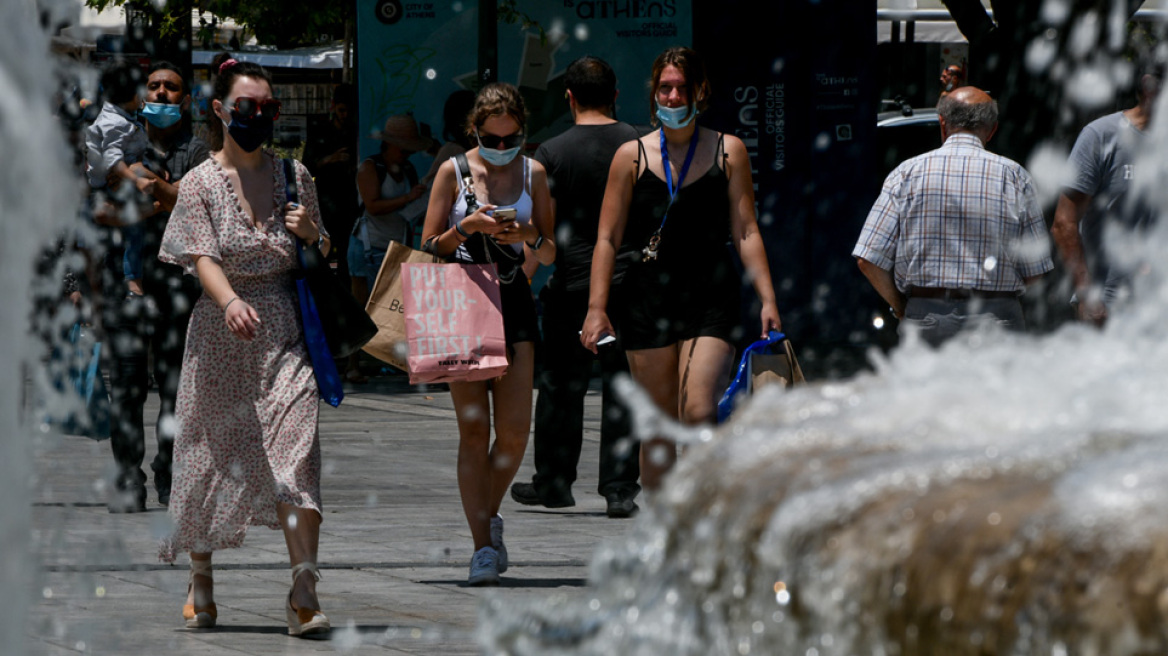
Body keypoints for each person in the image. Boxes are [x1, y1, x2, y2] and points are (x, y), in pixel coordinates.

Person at [157, 53, 332, 638]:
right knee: (208, 455)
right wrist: (229, 300)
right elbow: (199, 253)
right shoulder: (201, 182)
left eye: (268, 107)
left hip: (284, 328)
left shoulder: (295, 175)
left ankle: (304, 589)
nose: (258, 116)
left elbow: (320, 249)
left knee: (296, 450)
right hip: (221, 331)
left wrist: (314, 234)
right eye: (246, 107)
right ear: (220, 110)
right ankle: (200, 579)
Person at [580, 46, 780, 492]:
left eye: (681, 89)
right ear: (653, 93)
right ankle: (661, 538)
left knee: (699, 412)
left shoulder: (729, 151)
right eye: (664, 88)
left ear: (700, 92)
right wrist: (597, 308)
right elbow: (607, 238)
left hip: (711, 294)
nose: (671, 98)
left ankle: (703, 519)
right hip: (646, 297)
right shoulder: (630, 157)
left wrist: (767, 298)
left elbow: (746, 231)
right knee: (657, 430)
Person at [420, 82, 555, 585]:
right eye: (491, 139)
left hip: (514, 299)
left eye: (511, 137)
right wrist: (468, 227)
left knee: (516, 431)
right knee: (474, 432)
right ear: (474, 131)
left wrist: (528, 239)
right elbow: (429, 245)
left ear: (523, 131)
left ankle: (488, 512)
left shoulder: (533, 173)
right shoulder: (451, 171)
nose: (502, 148)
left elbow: (551, 249)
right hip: (460, 300)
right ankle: (481, 545)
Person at [510, 56, 642, 518]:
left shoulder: (551, 154)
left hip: (571, 288)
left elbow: (538, 231)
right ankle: (620, 487)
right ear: (616, 94)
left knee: (560, 387)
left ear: (568, 97)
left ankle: (554, 481)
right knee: (624, 388)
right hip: (629, 286)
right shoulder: (640, 145)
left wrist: (523, 280)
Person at [853, 87, 1053, 347]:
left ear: (942, 124)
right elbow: (1036, 268)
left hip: (927, 317)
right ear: (992, 130)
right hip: (997, 320)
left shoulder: (906, 174)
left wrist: (902, 307)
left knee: (930, 390)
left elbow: (868, 259)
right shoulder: (1015, 177)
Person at [102, 61, 211, 512]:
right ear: (143, 94)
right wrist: (164, 199)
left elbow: (198, 198)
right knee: (126, 387)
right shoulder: (118, 145)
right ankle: (129, 477)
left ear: (185, 101)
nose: (162, 92)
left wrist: (146, 195)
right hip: (127, 284)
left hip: (180, 286)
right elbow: (101, 213)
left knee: (175, 389)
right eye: (154, 86)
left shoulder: (201, 152)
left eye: (171, 87)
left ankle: (170, 475)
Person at [1051, 61, 1163, 327]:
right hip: (1111, 304)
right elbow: (1063, 222)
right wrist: (1085, 292)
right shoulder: (1102, 136)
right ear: (1150, 87)